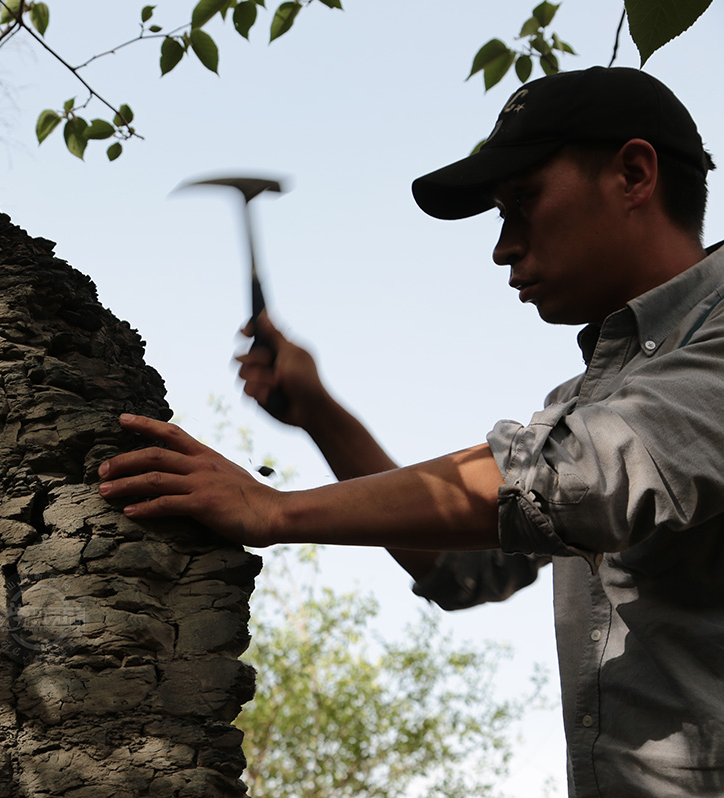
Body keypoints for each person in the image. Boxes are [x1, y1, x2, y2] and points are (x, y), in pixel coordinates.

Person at [98, 66, 724, 797]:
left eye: (521, 202)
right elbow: (464, 571)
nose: (501, 247)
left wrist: (271, 510)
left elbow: (578, 478)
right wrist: (322, 415)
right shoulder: (589, 398)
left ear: (633, 173)